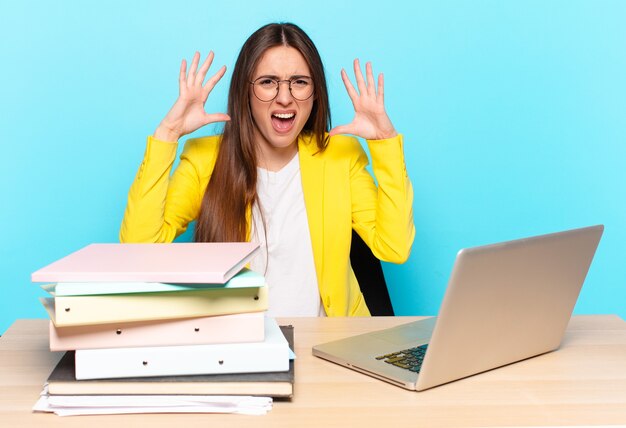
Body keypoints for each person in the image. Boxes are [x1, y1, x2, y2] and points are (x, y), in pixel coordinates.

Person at [120, 22, 415, 317]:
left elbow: (395, 247)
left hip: (329, 345)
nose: (284, 97)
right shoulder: (205, 159)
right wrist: (167, 134)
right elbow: (139, 248)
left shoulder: (340, 155)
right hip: (239, 347)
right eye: (267, 82)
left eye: (299, 82)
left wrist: (386, 143)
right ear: (245, 92)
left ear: (315, 93)